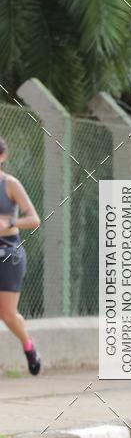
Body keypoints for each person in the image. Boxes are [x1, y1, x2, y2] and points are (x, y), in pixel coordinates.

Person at [0, 136, 42, 374]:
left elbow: (34, 219)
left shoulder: (10, 184)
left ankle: (29, 346)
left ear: (2, 157)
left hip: (8, 254)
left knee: (6, 313)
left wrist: (9, 222)